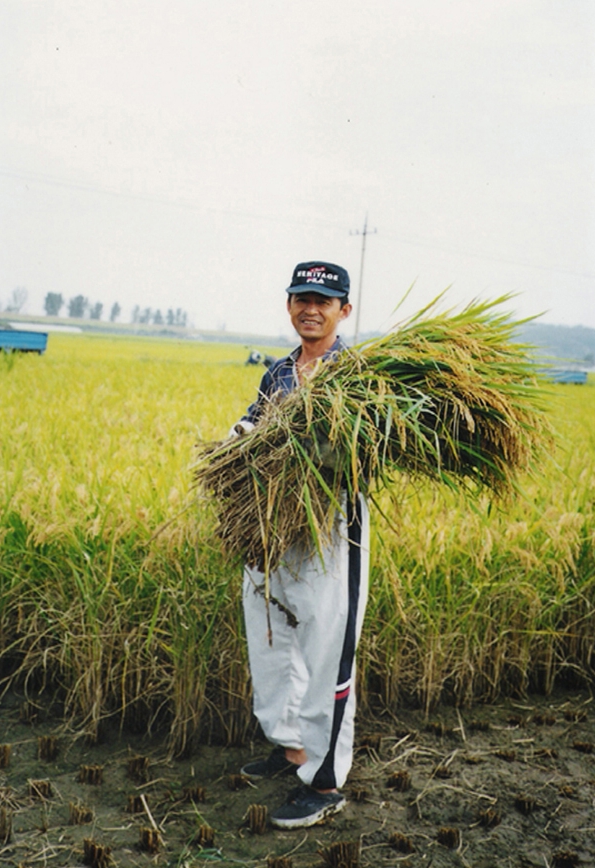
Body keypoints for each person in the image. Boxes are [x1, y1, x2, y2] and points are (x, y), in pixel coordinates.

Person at [230, 261, 370, 829]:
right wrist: (237, 442)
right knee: (271, 637)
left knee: (324, 647)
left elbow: (363, 452)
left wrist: (302, 450)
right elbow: (251, 422)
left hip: (332, 529)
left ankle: (325, 780)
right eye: (301, 297)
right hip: (272, 526)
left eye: (323, 299)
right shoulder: (280, 371)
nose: (310, 307)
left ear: (344, 310)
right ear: (288, 304)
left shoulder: (358, 374)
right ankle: (290, 745)